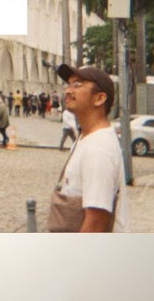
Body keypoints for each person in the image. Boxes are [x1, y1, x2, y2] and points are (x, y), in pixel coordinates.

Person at [55, 64, 129, 232]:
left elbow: (96, 223)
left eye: (77, 84)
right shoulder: (86, 138)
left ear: (99, 98)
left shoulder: (98, 148)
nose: (68, 90)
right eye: (68, 84)